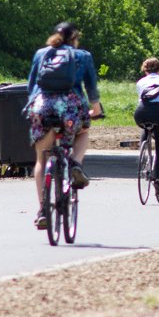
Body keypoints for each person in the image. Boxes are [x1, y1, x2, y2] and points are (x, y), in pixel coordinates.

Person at [24, 22, 101, 228]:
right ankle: (75, 163)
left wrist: (32, 108)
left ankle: (42, 209)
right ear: (74, 38)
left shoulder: (41, 54)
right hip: (70, 107)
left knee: (41, 158)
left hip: (42, 107)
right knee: (83, 132)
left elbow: (32, 85)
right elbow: (91, 86)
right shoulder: (82, 56)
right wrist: (96, 109)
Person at [135, 57, 159, 198]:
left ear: (144, 70)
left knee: (145, 129)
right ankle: (157, 178)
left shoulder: (140, 82)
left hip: (140, 113)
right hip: (158, 113)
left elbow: (142, 101)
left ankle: (143, 154)